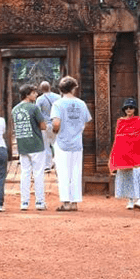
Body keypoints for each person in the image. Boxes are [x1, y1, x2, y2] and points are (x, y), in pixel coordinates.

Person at [50, 75, 92, 212]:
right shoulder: (81, 103)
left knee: (63, 173)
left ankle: (66, 202)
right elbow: (86, 121)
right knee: (76, 172)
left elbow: (56, 122)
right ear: (73, 88)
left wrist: (56, 131)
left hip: (63, 142)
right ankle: (74, 202)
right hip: (77, 142)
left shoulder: (58, 104)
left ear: (61, 89)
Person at [12, 83, 47, 211]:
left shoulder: (14, 109)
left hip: (22, 144)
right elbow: (43, 126)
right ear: (27, 94)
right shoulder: (34, 108)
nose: (36, 94)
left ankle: (24, 202)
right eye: (34, 93)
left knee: (25, 174)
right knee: (38, 174)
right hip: (36, 144)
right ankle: (39, 202)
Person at [109, 97, 140, 210]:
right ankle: (130, 199)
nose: (129, 109)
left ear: (135, 109)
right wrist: (115, 155)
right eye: (126, 108)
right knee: (128, 177)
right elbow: (118, 138)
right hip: (124, 153)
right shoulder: (120, 122)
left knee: (139, 175)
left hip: (137, 152)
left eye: (131, 107)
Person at [35, 81, 60, 170]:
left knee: (46, 145)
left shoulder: (39, 99)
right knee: (56, 145)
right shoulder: (58, 97)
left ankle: (47, 165)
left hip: (45, 125)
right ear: (50, 87)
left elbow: (37, 113)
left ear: (41, 89)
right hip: (56, 124)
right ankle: (57, 164)